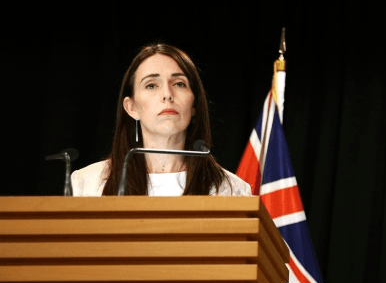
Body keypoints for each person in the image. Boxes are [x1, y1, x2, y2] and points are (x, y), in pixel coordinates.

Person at [72, 44, 252, 196]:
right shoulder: (88, 184)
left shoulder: (231, 189)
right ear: (132, 107)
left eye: (179, 84)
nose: (167, 94)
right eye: (151, 85)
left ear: (194, 104)